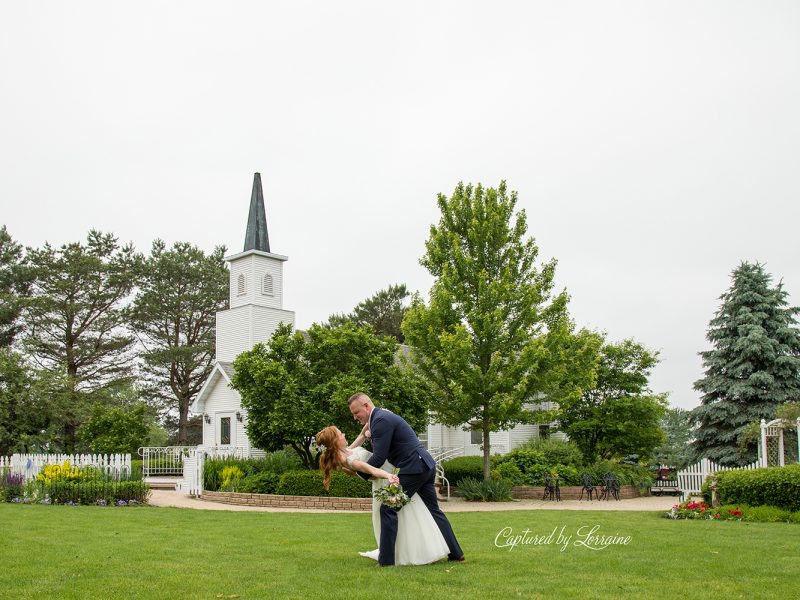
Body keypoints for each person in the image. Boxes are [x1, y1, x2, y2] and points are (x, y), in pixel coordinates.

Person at [348, 391, 465, 566]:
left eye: (356, 413)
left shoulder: (380, 420)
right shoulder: (380, 417)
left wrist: (359, 472)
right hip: (425, 465)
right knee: (434, 511)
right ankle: (456, 554)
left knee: (388, 508)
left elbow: (379, 458)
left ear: (366, 406)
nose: (355, 417)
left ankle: (386, 561)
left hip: (413, 470)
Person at [314, 424, 450, 566]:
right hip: (385, 481)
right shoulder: (344, 459)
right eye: (340, 434)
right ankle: (401, 554)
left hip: (390, 474)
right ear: (335, 441)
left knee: (410, 513)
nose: (344, 434)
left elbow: (361, 436)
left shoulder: (346, 450)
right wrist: (388, 475)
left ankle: (415, 550)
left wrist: (374, 419)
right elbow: (368, 469)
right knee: (400, 515)